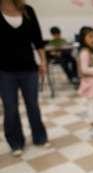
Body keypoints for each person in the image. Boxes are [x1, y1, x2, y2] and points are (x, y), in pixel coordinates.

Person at [0, 0, 50, 156]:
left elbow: (38, 39)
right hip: (4, 71)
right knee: (10, 107)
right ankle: (15, 142)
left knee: (32, 105)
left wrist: (43, 61)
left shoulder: (27, 10)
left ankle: (39, 137)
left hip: (29, 68)